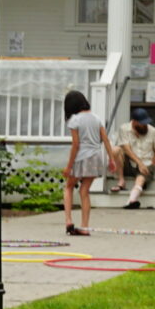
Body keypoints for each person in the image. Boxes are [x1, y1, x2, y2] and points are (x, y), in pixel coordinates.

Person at [61, 88, 108, 237]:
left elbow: (76, 145)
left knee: (68, 187)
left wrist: (69, 166)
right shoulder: (96, 118)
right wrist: (112, 160)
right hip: (96, 158)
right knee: (84, 191)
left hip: (81, 158)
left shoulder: (74, 120)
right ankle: (85, 227)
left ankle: (68, 220)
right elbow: (105, 140)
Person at [108, 107, 155, 208]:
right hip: (129, 162)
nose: (144, 125)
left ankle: (132, 200)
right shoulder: (124, 129)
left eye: (146, 123)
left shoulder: (152, 131)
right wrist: (139, 163)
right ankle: (121, 181)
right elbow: (126, 148)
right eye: (142, 123)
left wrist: (152, 165)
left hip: (146, 161)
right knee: (116, 149)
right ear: (134, 122)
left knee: (141, 179)